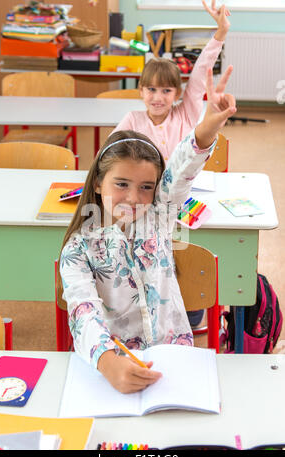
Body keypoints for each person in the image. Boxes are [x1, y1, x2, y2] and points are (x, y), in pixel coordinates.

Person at [58, 65, 236, 394]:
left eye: (146, 187)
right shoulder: (78, 248)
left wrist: (207, 126)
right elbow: (82, 309)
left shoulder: (159, 215)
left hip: (173, 355)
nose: (133, 197)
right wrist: (108, 361)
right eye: (121, 184)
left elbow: (182, 170)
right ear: (98, 182)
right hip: (110, 362)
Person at [113, 1, 231, 162]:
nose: (158, 98)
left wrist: (221, 32)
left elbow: (200, 73)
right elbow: (109, 152)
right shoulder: (132, 120)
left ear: (178, 94)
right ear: (141, 90)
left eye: (166, 90)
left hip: (180, 186)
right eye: (151, 89)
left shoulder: (185, 115)